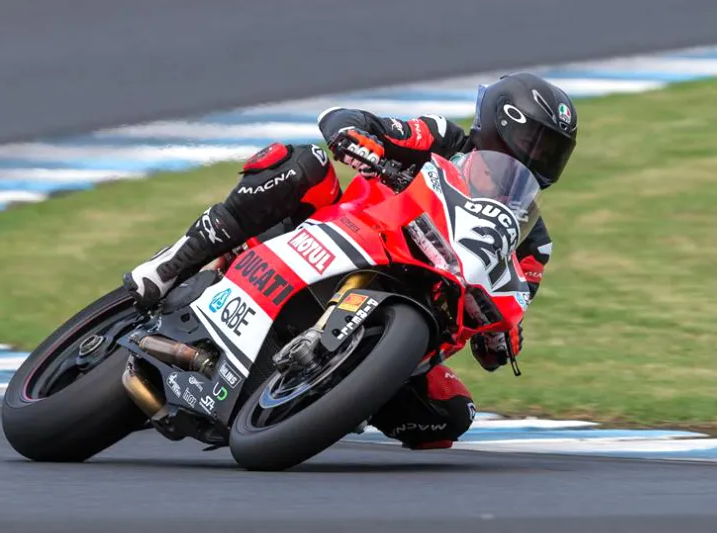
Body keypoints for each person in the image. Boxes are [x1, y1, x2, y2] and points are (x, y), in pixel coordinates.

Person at [122, 72, 578, 450]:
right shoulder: (443, 139)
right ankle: (173, 264)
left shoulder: (533, 242)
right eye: (532, 141)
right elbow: (344, 119)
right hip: (342, 234)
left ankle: (334, 397)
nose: (536, 155)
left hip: (425, 302)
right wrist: (359, 140)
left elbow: (507, 314)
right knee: (302, 164)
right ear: (497, 124)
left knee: (451, 416)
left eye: (550, 151)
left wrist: (501, 336)